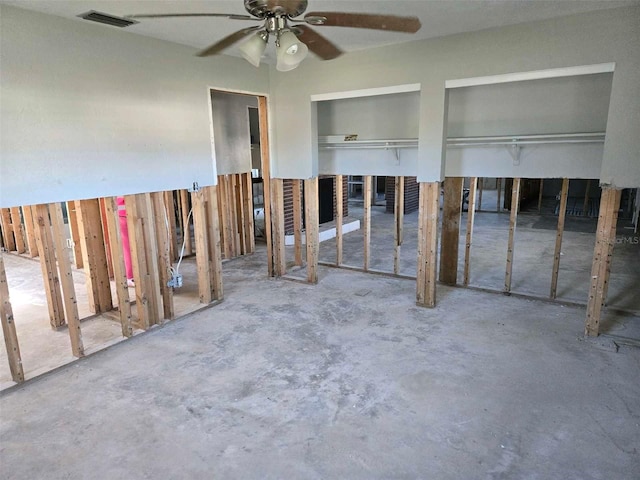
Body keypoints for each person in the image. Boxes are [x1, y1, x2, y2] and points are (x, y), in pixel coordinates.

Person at [116, 197, 135, 287]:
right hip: (125, 215)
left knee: (127, 247)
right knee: (128, 248)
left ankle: (130, 276)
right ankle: (130, 277)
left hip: (124, 215)